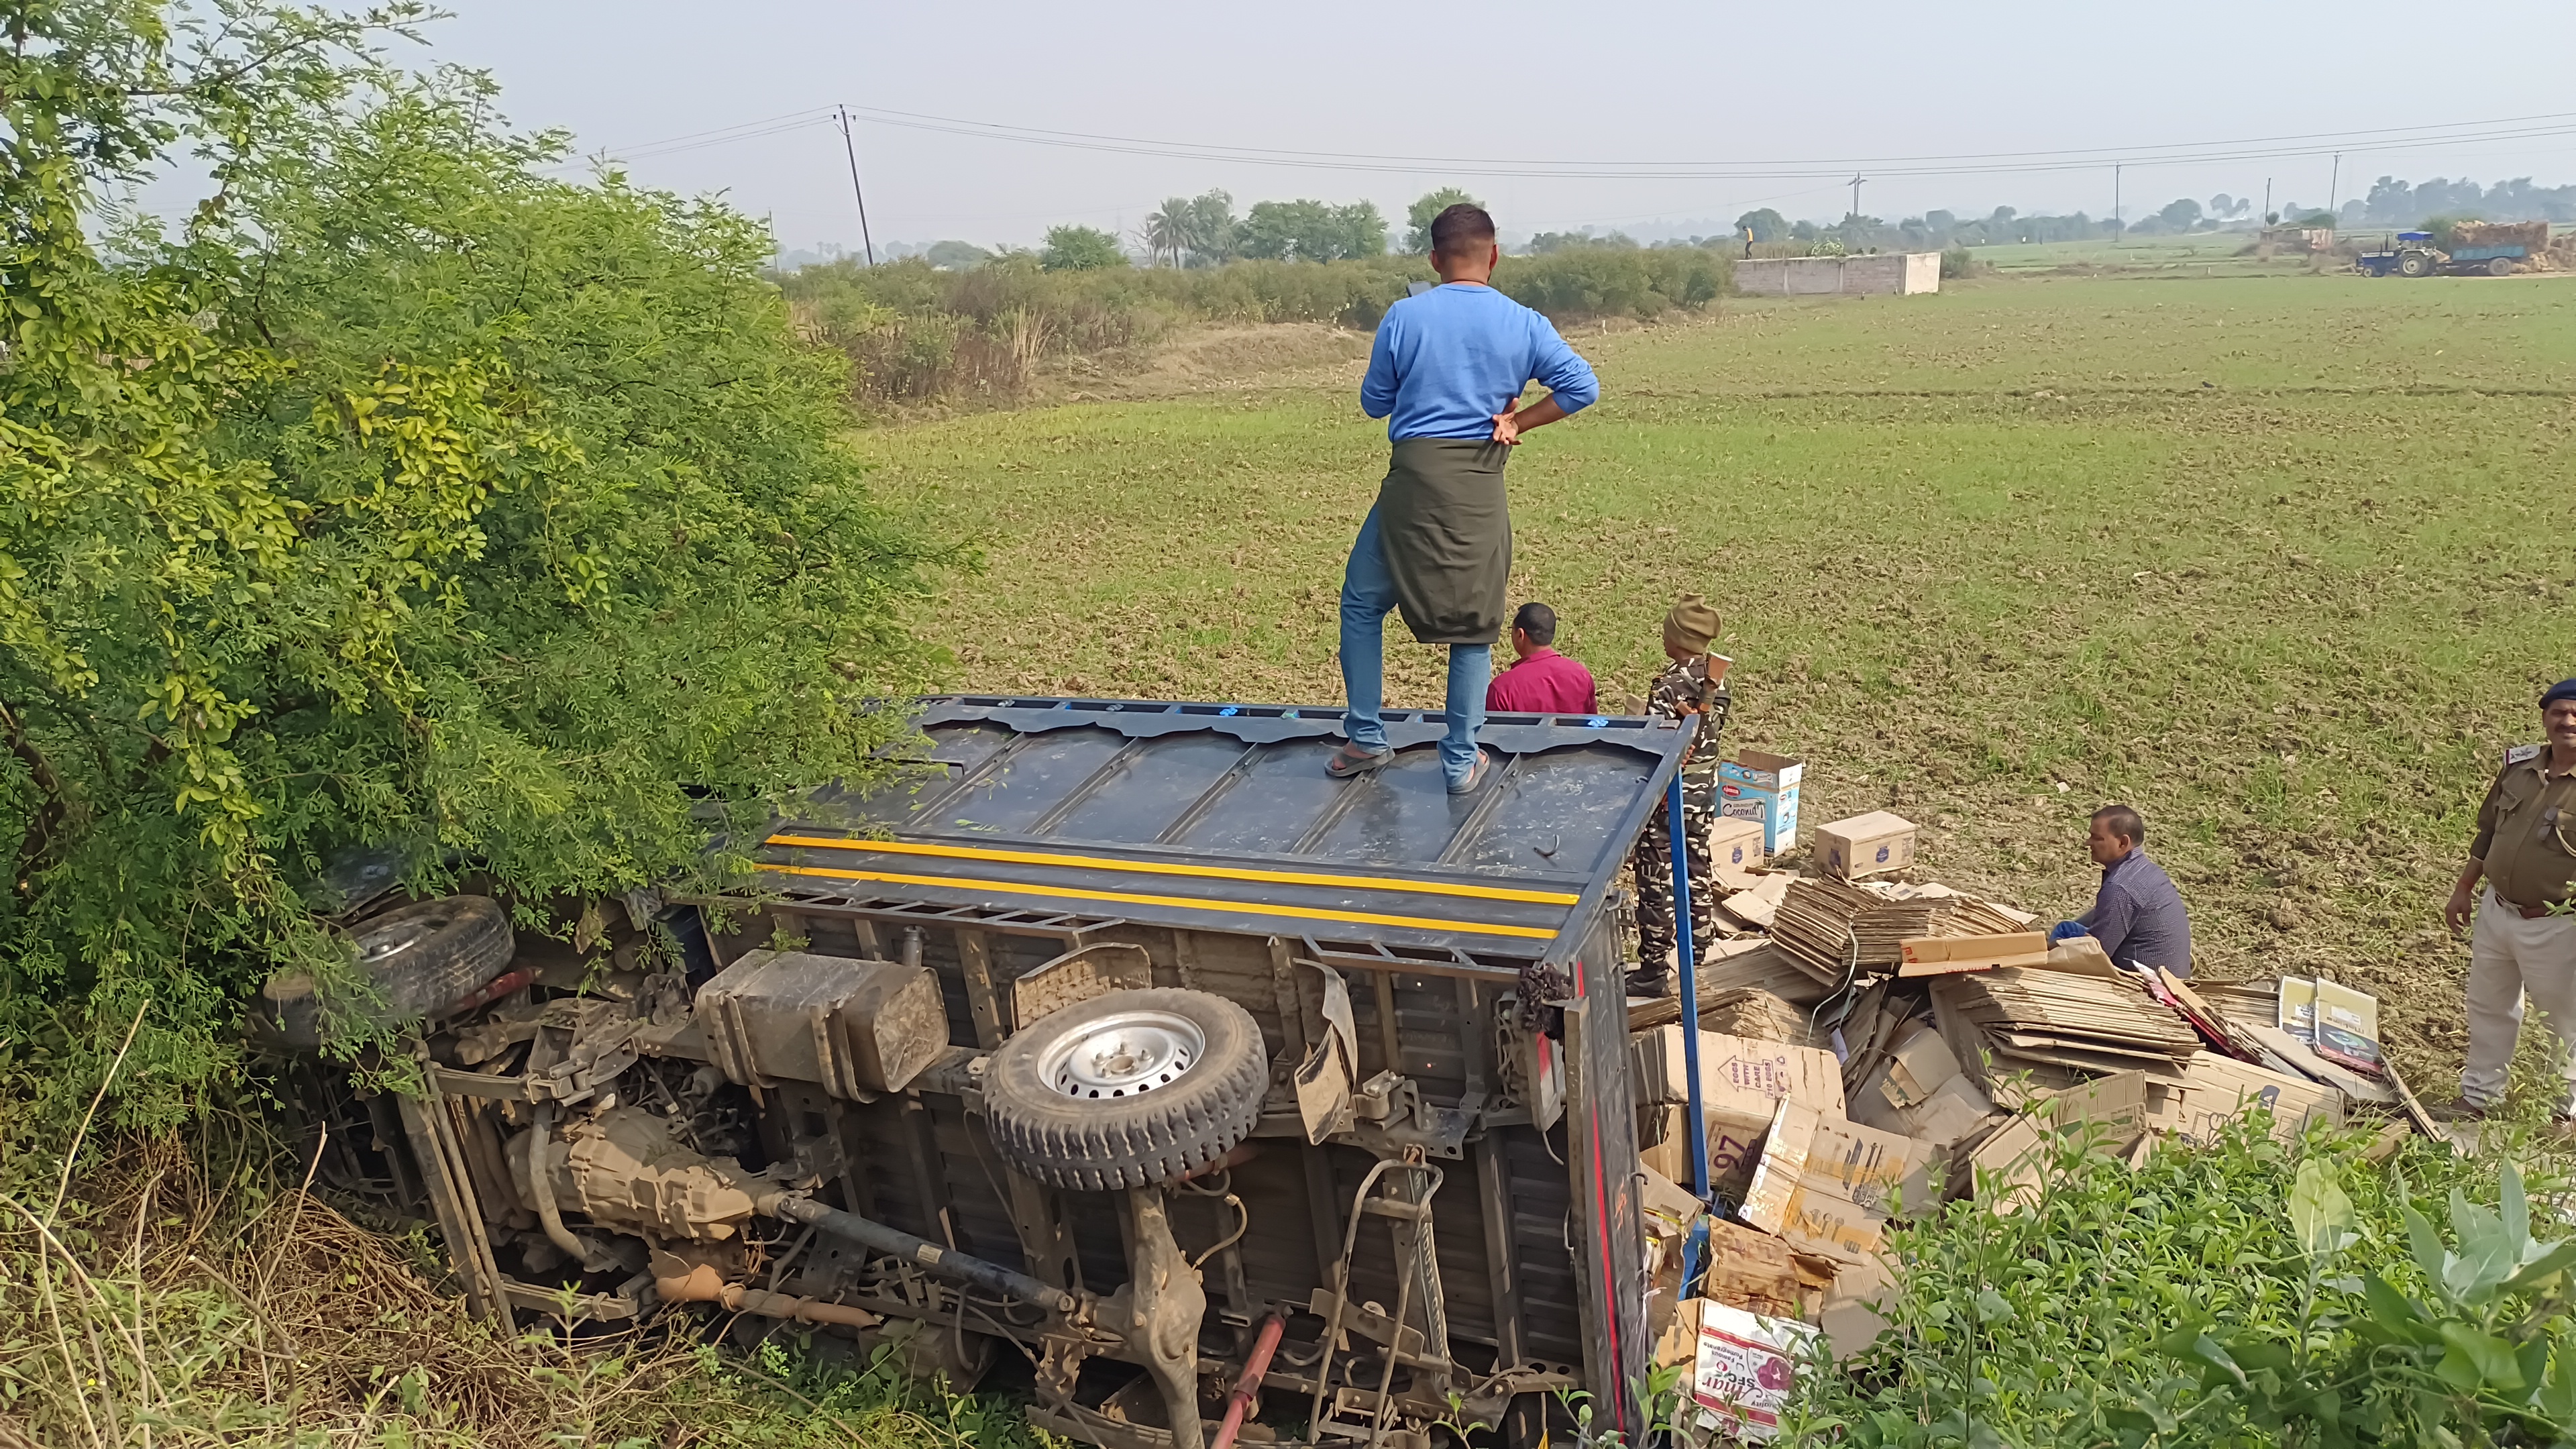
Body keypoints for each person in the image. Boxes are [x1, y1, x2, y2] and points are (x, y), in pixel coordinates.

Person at [1330, 205, 1600, 794]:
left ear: (1434, 259)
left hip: (1414, 483)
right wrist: (1518, 421)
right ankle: (1459, 763)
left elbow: (1375, 403)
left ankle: (1367, 739)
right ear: (1494, 256)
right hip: (1479, 484)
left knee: (1361, 603)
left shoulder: (1404, 316)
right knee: (1475, 624)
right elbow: (1583, 387)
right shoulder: (1525, 322)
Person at [2441, 678, 2576, 1122]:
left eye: (2575, 713)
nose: (2567, 721)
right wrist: (2464, 887)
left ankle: (2562, 1113)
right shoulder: (2519, 767)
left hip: (2558, 924)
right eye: (2559, 712)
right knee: (2488, 1005)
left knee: (2565, 1024)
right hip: (2497, 911)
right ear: (2545, 718)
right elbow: (2489, 831)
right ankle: (2479, 1097)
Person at [1628, 595, 1729, 998]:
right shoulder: (1716, 681)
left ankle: (1654, 969)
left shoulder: (1670, 685)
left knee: (1657, 880)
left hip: (1669, 797)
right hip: (1702, 796)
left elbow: (1658, 746)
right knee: (1696, 870)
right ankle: (1697, 951)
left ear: (1677, 638)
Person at [2049, 804, 2194, 975]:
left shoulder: (2120, 887)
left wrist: (2046, 953)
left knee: (2062, 943)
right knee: (2067, 929)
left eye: (2097, 838)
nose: (2088, 843)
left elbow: (2095, 953)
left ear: (2122, 843)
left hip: (2149, 980)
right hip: (2172, 971)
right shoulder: (2145, 870)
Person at [1486, 602, 1597, 715]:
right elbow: (1592, 726)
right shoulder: (1582, 676)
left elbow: (1492, 732)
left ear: (1521, 634)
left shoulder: (1503, 688)